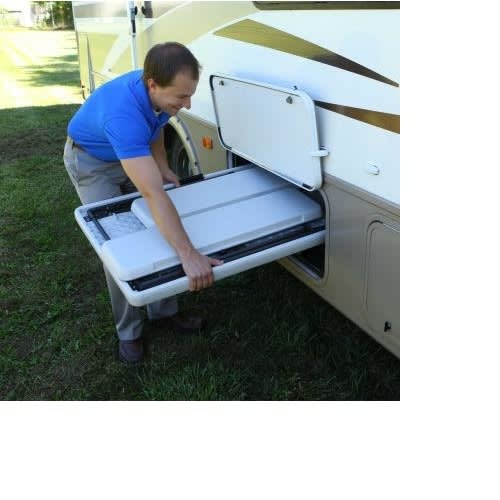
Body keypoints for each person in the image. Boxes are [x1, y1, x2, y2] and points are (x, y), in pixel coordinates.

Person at [63, 42, 223, 363]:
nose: (188, 104)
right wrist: (189, 254)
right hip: (93, 163)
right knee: (120, 245)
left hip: (129, 151)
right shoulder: (123, 115)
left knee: (155, 228)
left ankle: (163, 311)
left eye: (190, 95)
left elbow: (156, 127)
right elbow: (153, 194)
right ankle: (130, 333)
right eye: (182, 97)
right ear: (152, 85)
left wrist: (162, 165)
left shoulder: (157, 93)